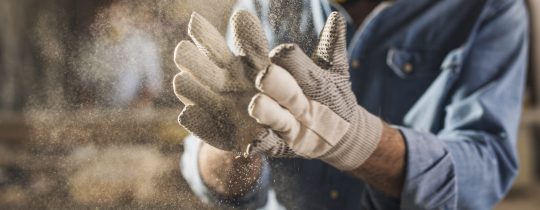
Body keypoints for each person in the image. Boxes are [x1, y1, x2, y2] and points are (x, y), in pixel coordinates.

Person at [176, 0, 529, 209]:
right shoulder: (267, 6)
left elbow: (485, 171)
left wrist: (358, 142)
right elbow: (224, 183)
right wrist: (231, 148)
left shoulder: (487, 8)